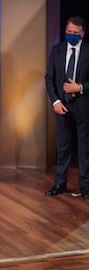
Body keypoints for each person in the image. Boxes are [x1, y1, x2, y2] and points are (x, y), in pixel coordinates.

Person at [45, 16, 89, 198]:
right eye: (69, 32)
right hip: (62, 106)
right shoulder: (57, 50)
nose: (71, 35)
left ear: (82, 33)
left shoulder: (88, 50)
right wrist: (55, 101)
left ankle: (85, 186)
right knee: (63, 147)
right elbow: (49, 78)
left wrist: (79, 87)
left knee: (84, 148)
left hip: (83, 107)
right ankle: (60, 183)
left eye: (75, 33)